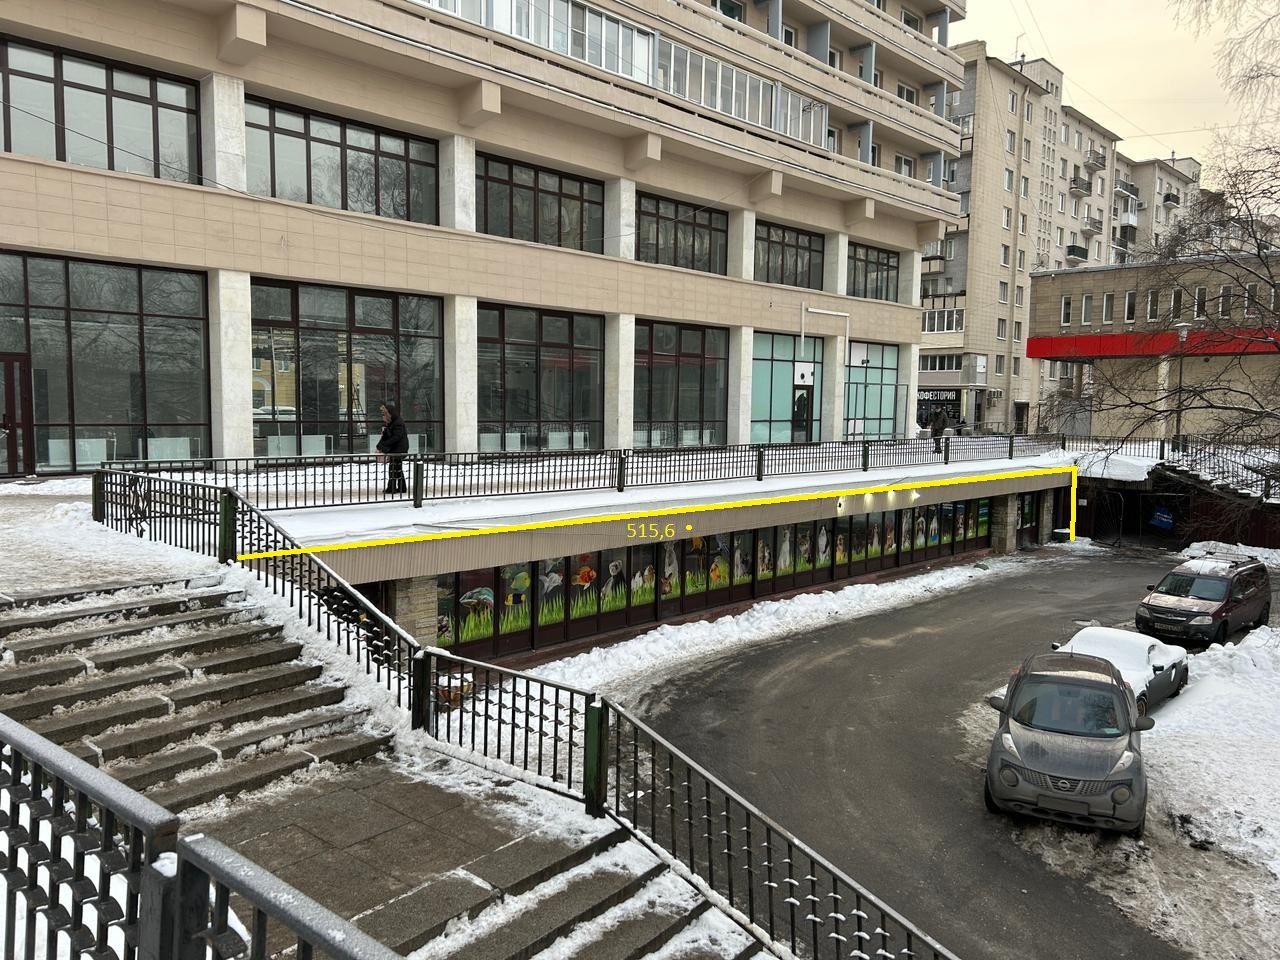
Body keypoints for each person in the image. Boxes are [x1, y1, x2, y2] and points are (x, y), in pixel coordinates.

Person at [376, 401, 409, 494]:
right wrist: (380, 445)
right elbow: (386, 436)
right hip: (396, 449)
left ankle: (392, 488)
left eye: (384, 414)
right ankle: (401, 487)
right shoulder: (392, 423)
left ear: (389, 414)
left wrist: (384, 445)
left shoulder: (398, 423)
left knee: (393, 469)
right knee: (397, 469)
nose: (383, 416)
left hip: (399, 450)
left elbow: (396, 437)